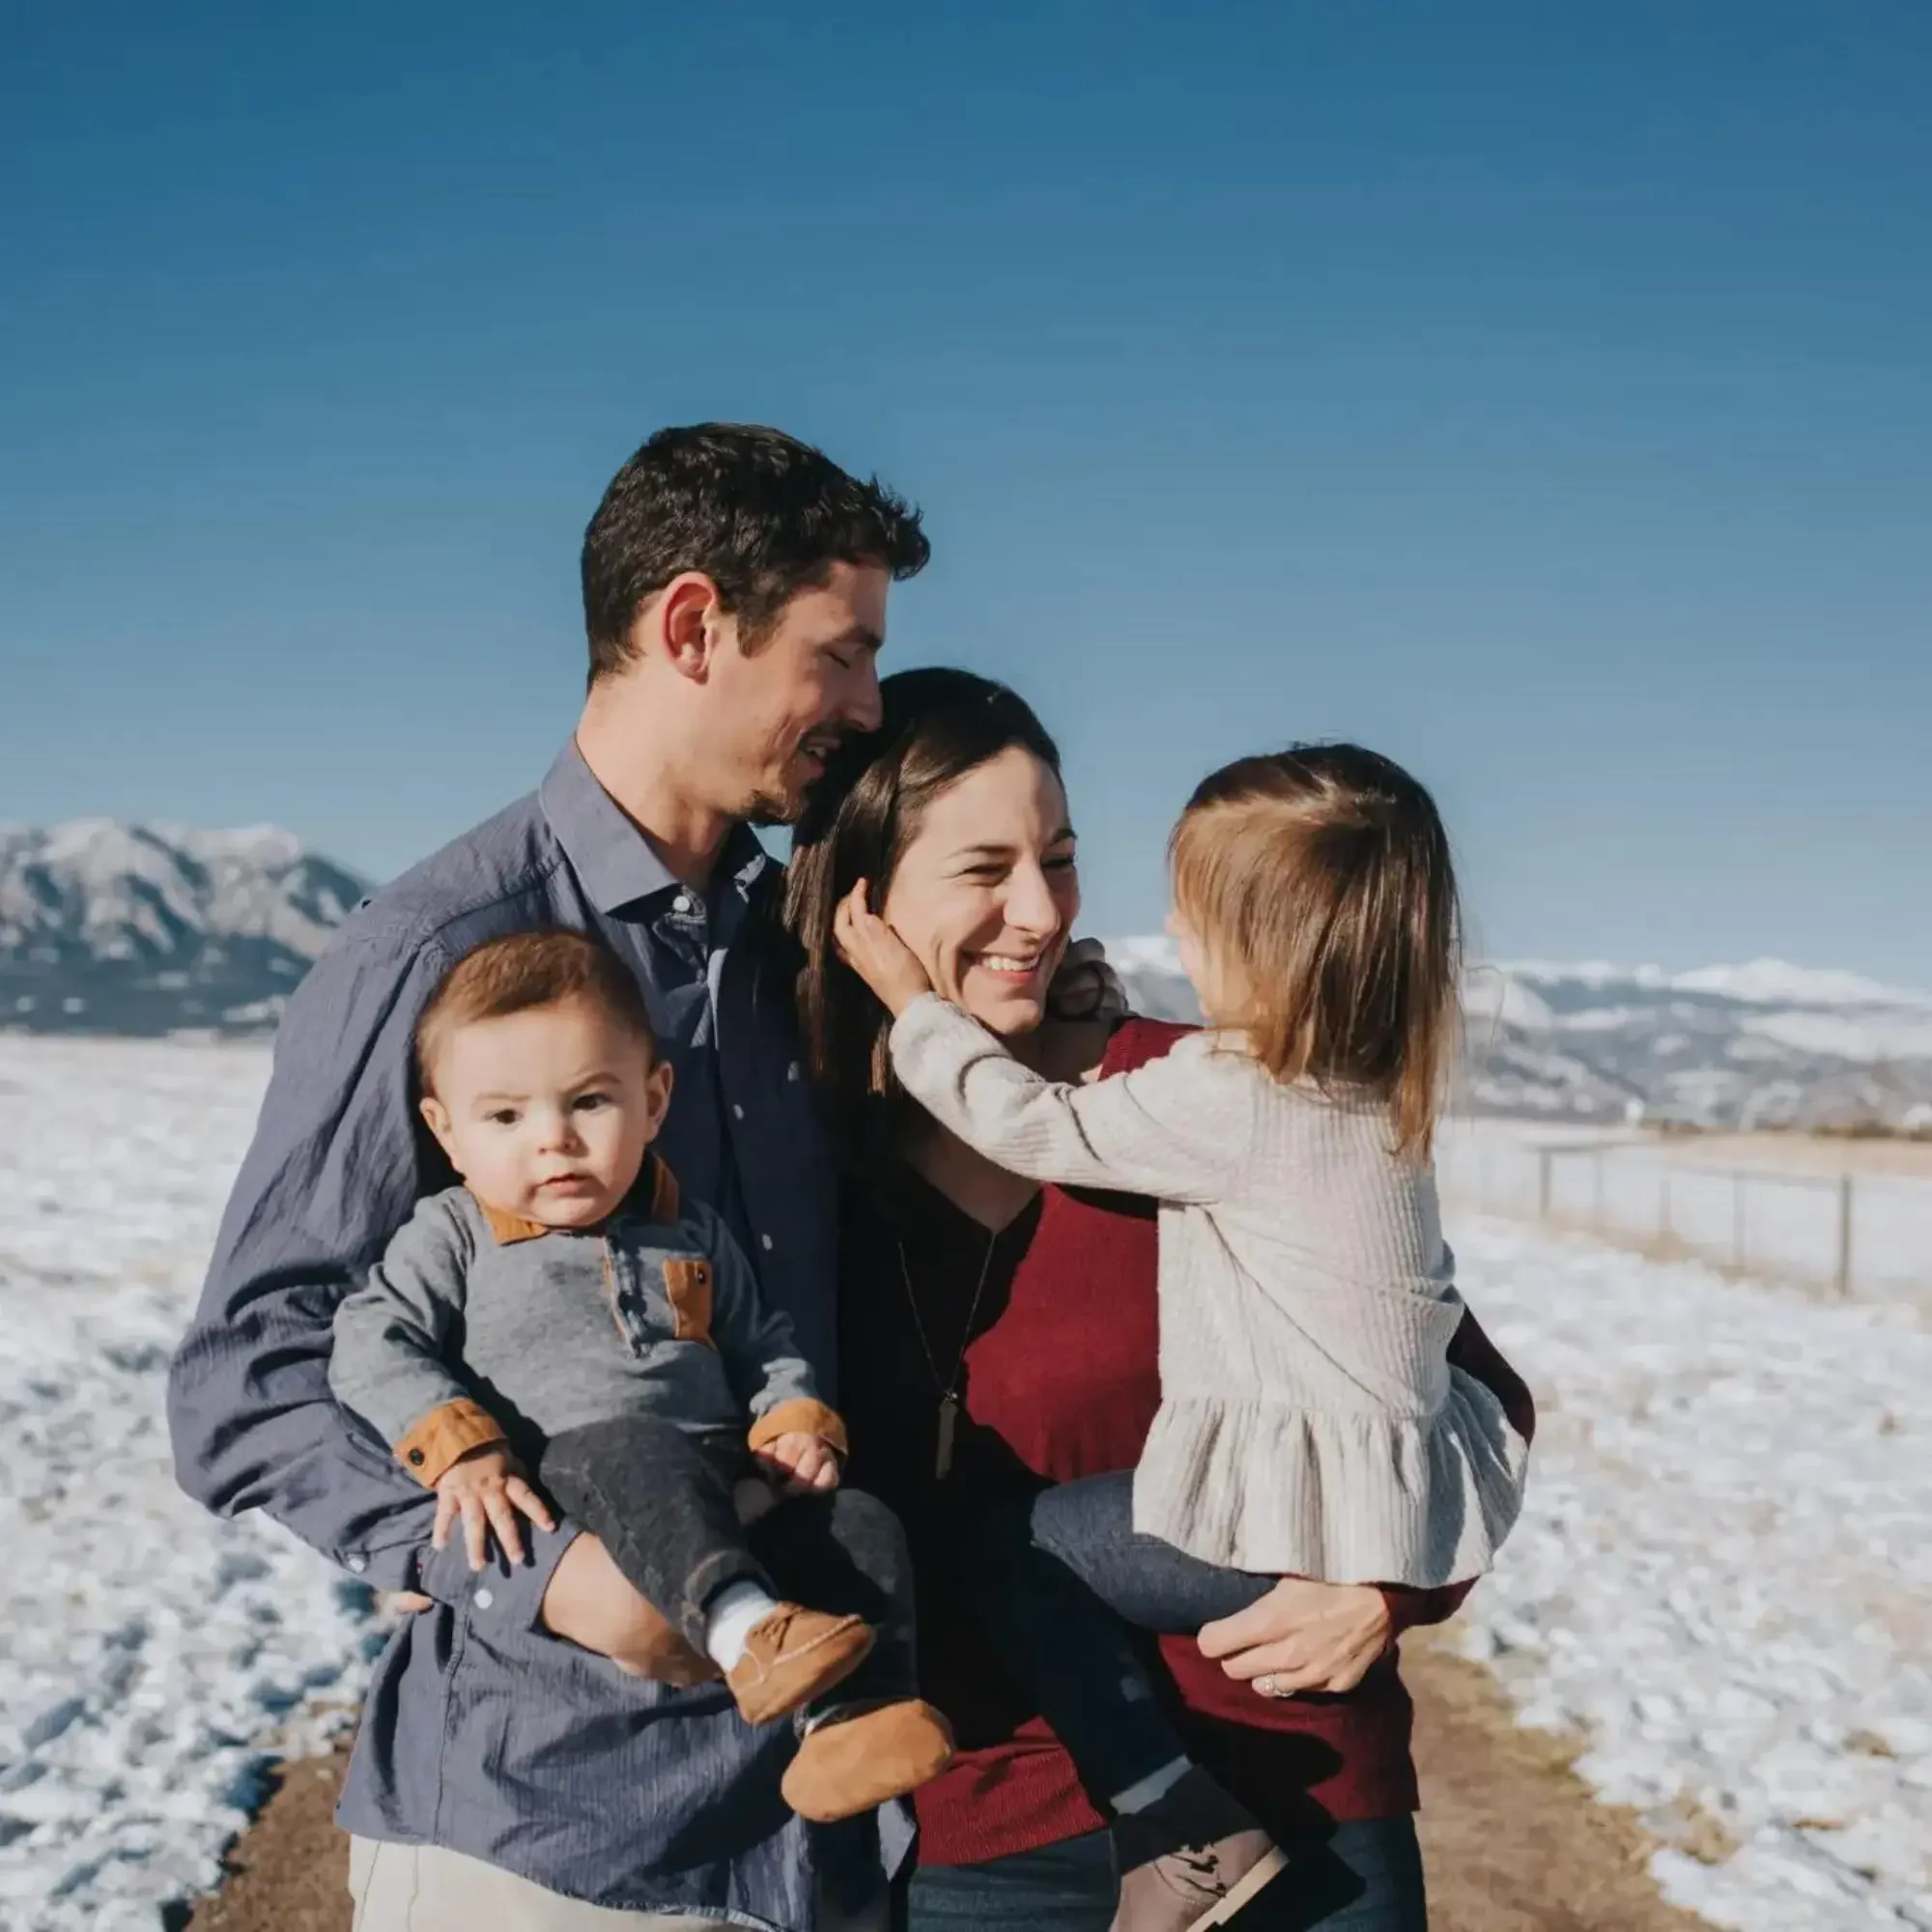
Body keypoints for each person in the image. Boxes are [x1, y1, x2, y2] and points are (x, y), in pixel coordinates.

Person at [167, 423, 934, 1931]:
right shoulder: (438, 948)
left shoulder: (798, 954)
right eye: (840, 656)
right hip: (550, 1823)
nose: (867, 704)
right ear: (693, 625)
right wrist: (553, 1580)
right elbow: (244, 1373)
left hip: (818, 1838)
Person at [783, 669, 1538, 1932]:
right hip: (981, 1834)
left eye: (1062, 859)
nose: (1040, 910)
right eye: (986, 869)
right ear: (866, 893)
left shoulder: (1192, 1093)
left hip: (1295, 1803)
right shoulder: (803, 1162)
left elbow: (1470, 1391)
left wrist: (1380, 1588)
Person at [327, 927, 954, 1823]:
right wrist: (462, 1447)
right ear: (447, 1131)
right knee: (631, 1447)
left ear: (653, 1099)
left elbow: (760, 1341)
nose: (555, 1142)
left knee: (859, 1523)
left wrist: (791, 1421)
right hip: (584, 1477)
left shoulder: (688, 1230)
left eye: (589, 1102)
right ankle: (746, 1630)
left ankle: (854, 1721)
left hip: (725, 1477)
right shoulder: (454, 1234)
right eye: (506, 1117)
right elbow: (370, 1339)